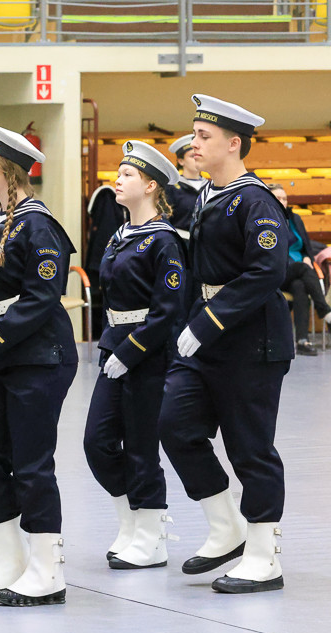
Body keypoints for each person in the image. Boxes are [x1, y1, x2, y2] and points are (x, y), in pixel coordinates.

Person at [158, 94, 292, 594]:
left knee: (250, 448)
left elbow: (265, 273)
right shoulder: (210, 197)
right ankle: (225, 527)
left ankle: (263, 555)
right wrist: (187, 325)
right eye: (195, 134)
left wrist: (206, 322)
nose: (194, 143)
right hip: (207, 334)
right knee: (174, 424)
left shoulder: (254, 199)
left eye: (203, 136)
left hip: (250, 340)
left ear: (234, 144)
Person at [0, 121, 77, 607]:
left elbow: (43, 297)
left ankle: (47, 568)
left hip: (38, 356)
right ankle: (9, 557)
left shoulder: (38, 223)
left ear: (8, 169)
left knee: (31, 464)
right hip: (0, 356)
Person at [83, 141, 187, 571]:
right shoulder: (119, 235)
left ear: (149, 186)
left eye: (126, 175)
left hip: (149, 353)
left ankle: (151, 535)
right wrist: (115, 346)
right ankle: (132, 521)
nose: (116, 181)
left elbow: (169, 309)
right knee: (98, 442)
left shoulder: (164, 241)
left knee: (142, 445)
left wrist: (132, 350)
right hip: (115, 347)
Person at [269, 183, 331, 355]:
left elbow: (307, 248)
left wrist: (308, 258)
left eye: (284, 198)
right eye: (277, 198)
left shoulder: (295, 219)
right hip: (276, 273)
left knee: (300, 286)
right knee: (302, 269)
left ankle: (302, 341)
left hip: (296, 273)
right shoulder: (265, 220)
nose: (282, 201)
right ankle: (324, 309)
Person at [165, 134, 206, 241]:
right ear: (181, 161)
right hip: (181, 241)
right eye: (192, 156)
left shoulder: (210, 186)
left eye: (199, 155)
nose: (196, 158)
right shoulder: (171, 187)